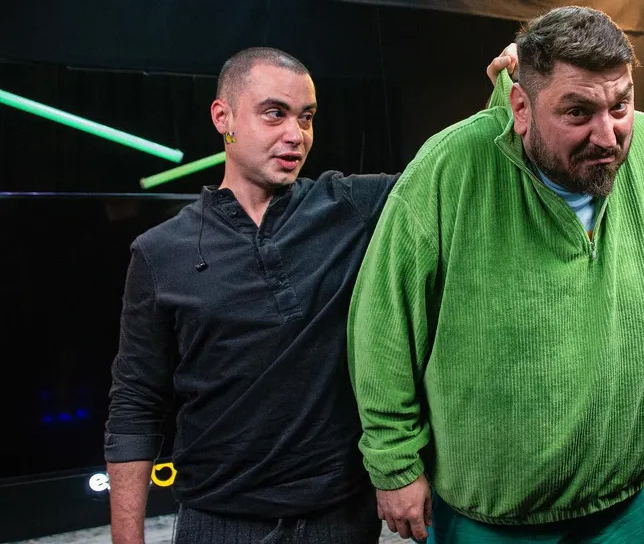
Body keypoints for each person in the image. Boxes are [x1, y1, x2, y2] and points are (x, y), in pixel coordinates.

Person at [347, 6, 644, 543]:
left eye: (620, 105)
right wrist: (394, 465)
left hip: (623, 505)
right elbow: (383, 330)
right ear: (521, 107)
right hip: (493, 519)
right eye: (578, 112)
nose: (608, 136)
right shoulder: (449, 168)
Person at [104, 46, 513, 544]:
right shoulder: (160, 252)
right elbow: (136, 402)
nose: (295, 135)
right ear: (223, 117)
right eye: (274, 114)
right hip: (220, 520)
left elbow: (450, 171)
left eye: (306, 117)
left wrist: (509, 89)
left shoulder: (348, 207)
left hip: (341, 518)